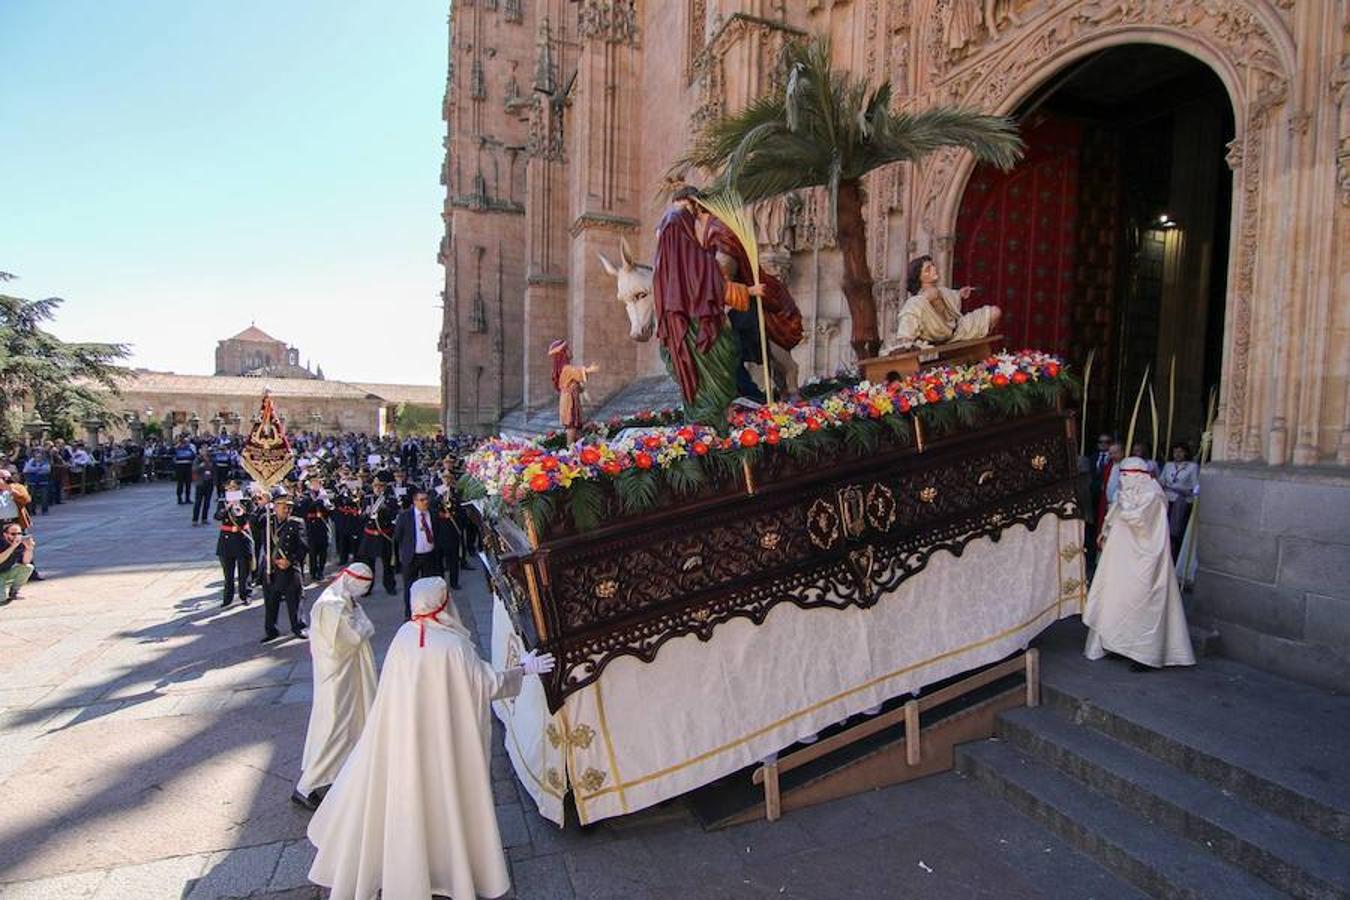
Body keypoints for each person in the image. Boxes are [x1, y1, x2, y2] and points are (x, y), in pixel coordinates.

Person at [306, 577, 555, 900]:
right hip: (443, 746)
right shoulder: (455, 647)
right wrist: (524, 669)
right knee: (445, 804)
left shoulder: (403, 636)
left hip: (403, 744)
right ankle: (450, 871)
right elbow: (488, 685)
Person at [1084, 457, 1196, 670]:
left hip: (1144, 560)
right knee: (1118, 600)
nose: (1124, 480)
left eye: (1128, 475)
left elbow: (1138, 521)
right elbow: (1115, 515)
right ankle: (1116, 644)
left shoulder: (1152, 495)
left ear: (1140, 475)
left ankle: (1144, 655)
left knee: (1143, 602)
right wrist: (1106, 531)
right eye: (1122, 475)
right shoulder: (1127, 492)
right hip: (1121, 559)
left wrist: (1125, 503)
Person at [293, 563, 377, 810]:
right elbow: (348, 639)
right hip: (338, 680)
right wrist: (364, 624)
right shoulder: (332, 605)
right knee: (334, 730)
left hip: (347, 677)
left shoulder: (342, 599)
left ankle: (337, 775)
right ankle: (305, 787)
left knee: (344, 727)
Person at [890, 255, 1001, 351]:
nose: (934, 269)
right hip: (940, 338)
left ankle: (977, 342)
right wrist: (906, 339)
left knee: (995, 312)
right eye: (928, 269)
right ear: (919, 277)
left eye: (933, 265)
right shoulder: (917, 302)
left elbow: (952, 298)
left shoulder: (941, 291)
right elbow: (909, 316)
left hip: (959, 329)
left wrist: (960, 294)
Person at [262, 493, 309, 643]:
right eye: (283, 506)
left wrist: (290, 560)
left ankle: (298, 626)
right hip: (272, 567)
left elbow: (303, 547)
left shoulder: (297, 523)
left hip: (289, 566)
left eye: (289, 507)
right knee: (271, 600)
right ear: (275, 507)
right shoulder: (267, 520)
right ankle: (271, 630)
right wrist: (262, 504)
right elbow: (253, 522)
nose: (287, 510)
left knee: (294, 598)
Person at [394, 489, 442, 619]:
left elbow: (437, 532)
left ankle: (429, 613)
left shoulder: (433, 514)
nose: (425, 502)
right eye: (422, 500)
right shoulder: (405, 516)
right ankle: (409, 615)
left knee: (429, 586)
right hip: (412, 557)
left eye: (426, 499)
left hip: (429, 556)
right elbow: (397, 537)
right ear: (415, 502)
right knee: (410, 587)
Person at [548, 339, 599, 445]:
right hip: (569, 400)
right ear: (564, 352)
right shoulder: (566, 368)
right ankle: (570, 447)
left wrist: (578, 388)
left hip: (570, 398)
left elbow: (574, 382)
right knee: (571, 423)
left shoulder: (564, 369)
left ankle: (576, 445)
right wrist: (591, 369)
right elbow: (578, 372)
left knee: (575, 425)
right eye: (568, 349)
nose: (570, 351)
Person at [355, 478, 397, 596]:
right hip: (370, 535)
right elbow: (361, 517)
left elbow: (394, 516)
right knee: (368, 565)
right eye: (376, 486)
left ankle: (390, 586)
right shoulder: (368, 499)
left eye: (381, 486)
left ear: (384, 487)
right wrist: (366, 513)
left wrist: (386, 510)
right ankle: (367, 587)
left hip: (384, 535)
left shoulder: (390, 500)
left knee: (388, 563)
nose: (378, 488)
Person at [214, 481, 253, 607]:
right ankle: (227, 597)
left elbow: (251, 517)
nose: (231, 490)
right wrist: (227, 507)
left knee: (244, 571)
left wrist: (242, 510)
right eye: (229, 488)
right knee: (228, 572)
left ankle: (245, 594)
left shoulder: (246, 501)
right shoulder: (222, 502)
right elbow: (217, 517)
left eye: (234, 488)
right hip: (227, 540)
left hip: (242, 538)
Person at [1160, 442, 1199, 551]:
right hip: (1167, 500)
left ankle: (1175, 552)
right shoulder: (1168, 465)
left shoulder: (1192, 467)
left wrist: (1194, 496)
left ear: (1185, 453)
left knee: (1177, 531)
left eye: (1180, 452)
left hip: (1182, 500)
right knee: (1164, 528)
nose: (1177, 454)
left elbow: (1196, 486)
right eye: (1175, 452)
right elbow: (1162, 480)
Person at [294, 477, 332, 583]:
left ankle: (321, 571)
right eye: (314, 482)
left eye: (318, 482)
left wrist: (326, 506)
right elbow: (303, 510)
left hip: (323, 525)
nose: (316, 484)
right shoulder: (306, 495)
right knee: (313, 551)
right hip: (311, 526)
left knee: (323, 550)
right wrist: (315, 503)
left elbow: (330, 510)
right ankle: (313, 572)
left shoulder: (324, 495)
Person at [0, 522, 35, 604]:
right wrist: (12, 547)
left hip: (6, 571)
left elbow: (25, 562)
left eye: (19, 533)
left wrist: (29, 549)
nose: (16, 536)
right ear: (5, 535)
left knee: (28, 567)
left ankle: (14, 592)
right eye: (13, 534)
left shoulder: (21, 543)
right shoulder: (1, 543)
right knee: (1, 600)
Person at [192, 447, 215, 526]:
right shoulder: (197, 460)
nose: (205, 453)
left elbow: (215, 469)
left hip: (209, 483)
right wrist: (201, 466)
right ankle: (195, 520)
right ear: (201, 452)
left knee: (207, 502)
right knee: (198, 502)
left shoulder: (211, 459)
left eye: (206, 451)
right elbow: (194, 469)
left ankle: (204, 519)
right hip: (200, 483)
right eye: (203, 451)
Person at [172, 436, 195, 504]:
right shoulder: (176, 449)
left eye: (184, 443)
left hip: (188, 467)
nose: (183, 444)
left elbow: (193, 456)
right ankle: (179, 498)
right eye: (182, 442)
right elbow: (172, 453)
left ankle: (187, 498)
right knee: (180, 484)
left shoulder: (189, 449)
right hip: (180, 467)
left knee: (188, 484)